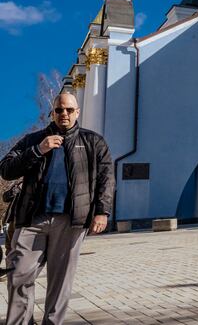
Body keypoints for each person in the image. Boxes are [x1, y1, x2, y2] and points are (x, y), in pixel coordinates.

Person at [0, 92, 114, 325]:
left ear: (77, 112)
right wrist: (37, 151)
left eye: (69, 110)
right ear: (52, 112)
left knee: (60, 281)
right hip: (32, 218)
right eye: (59, 110)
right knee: (18, 274)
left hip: (71, 220)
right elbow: (6, 169)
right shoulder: (33, 140)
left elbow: (106, 179)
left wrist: (102, 211)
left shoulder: (93, 142)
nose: (64, 114)